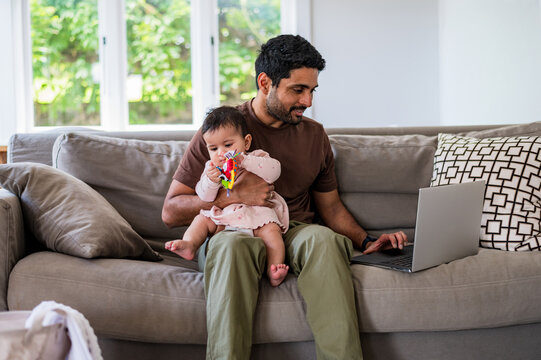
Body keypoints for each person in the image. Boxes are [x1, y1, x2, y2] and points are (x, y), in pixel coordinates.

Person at [162, 34, 407, 360]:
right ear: (265, 83)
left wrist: (366, 241)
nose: (307, 101)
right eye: (297, 90)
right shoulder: (223, 131)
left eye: (312, 90)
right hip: (230, 229)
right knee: (232, 247)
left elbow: (330, 207)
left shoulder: (315, 135)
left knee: (325, 240)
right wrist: (229, 196)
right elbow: (171, 210)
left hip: (289, 227)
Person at [165, 106, 290, 287]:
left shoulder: (256, 157)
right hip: (225, 219)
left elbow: (274, 171)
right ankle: (190, 244)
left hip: (257, 216)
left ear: (246, 142)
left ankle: (274, 269)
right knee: (201, 219)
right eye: (214, 148)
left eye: (228, 145)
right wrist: (211, 180)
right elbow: (204, 196)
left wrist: (244, 161)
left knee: (272, 233)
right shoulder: (212, 169)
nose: (221, 153)